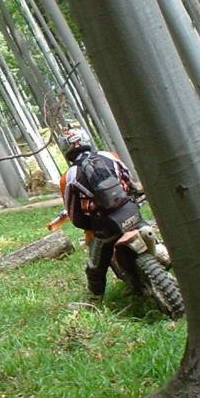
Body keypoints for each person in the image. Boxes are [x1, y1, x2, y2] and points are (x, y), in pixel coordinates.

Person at [57, 126, 139, 299]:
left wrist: (92, 225)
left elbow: (75, 216)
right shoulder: (109, 156)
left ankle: (95, 300)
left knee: (94, 268)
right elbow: (130, 181)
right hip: (130, 211)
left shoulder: (69, 176)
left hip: (105, 226)